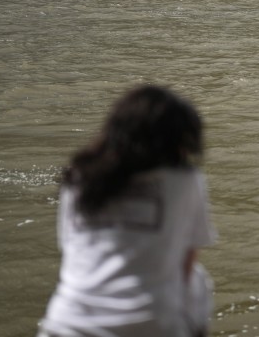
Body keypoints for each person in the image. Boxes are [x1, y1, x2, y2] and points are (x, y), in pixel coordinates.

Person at [38, 85, 215, 337]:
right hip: (152, 325)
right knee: (198, 281)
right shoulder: (184, 180)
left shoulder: (78, 177)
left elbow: (71, 250)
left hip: (67, 323)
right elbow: (187, 263)